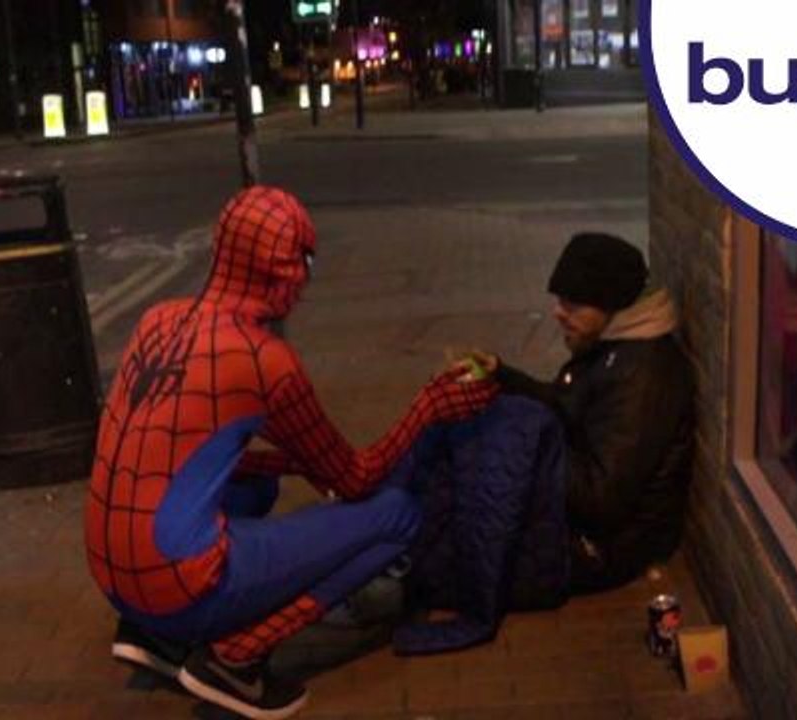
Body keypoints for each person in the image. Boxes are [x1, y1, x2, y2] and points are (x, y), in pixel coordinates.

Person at [83, 186, 497, 719]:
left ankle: (153, 640)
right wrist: (430, 405)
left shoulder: (157, 319)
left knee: (258, 483)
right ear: (284, 272)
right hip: (179, 585)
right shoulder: (264, 359)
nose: (304, 281)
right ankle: (236, 661)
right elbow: (355, 478)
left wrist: (291, 461)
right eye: (303, 262)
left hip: (114, 577)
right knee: (397, 516)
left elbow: (166, 455)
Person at [470, 232, 693, 594]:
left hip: (603, 549)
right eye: (560, 300)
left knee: (459, 543)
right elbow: (565, 406)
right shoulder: (612, 347)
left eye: (574, 305)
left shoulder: (644, 375)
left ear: (612, 306)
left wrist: (527, 441)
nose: (559, 313)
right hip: (576, 522)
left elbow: (600, 499)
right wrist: (503, 376)